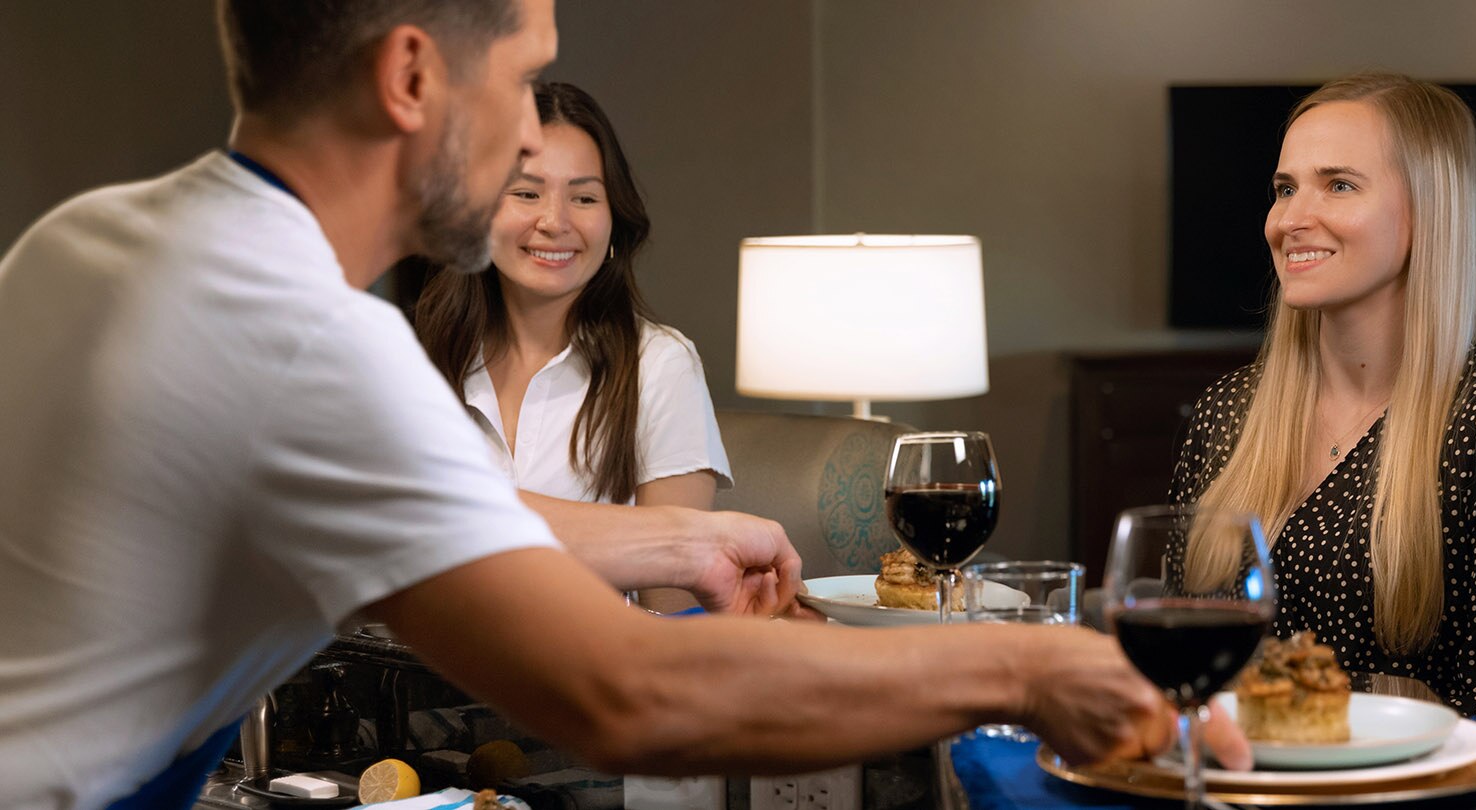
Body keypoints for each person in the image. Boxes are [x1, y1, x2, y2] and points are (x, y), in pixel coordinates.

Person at [0, 2, 1225, 807]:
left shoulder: (88, 242)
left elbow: (446, 506)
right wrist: (1027, 666)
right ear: (413, 73)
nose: (536, 131)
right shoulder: (311, 344)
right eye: (527, 79)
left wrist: (679, 539)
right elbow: (631, 696)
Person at [1170, 71, 1476, 749]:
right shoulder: (1226, 416)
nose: (1290, 219)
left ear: (1426, 210)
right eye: (1284, 188)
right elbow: (1179, 674)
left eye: (1338, 184)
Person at [412, 82, 728, 609]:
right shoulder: (412, 359)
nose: (555, 222)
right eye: (526, 193)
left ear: (613, 224)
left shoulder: (661, 366)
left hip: (595, 678)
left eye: (584, 197)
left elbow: (673, 611)